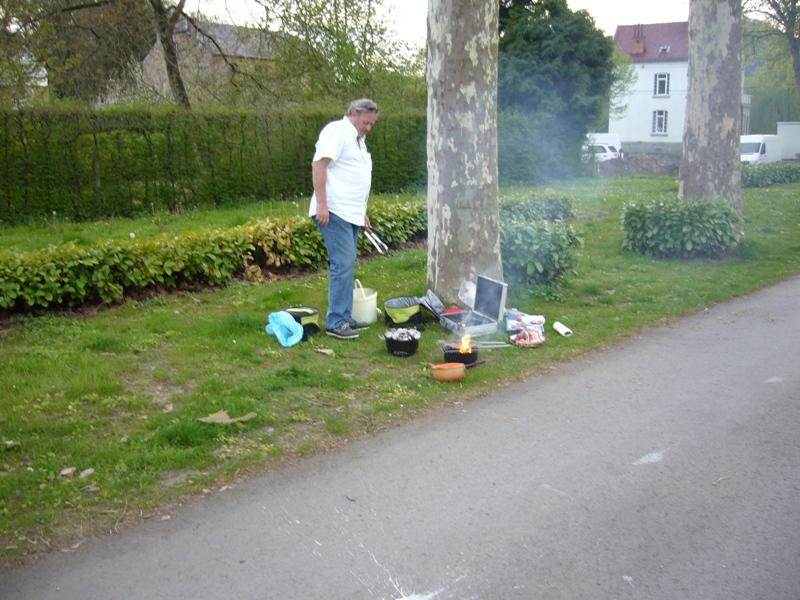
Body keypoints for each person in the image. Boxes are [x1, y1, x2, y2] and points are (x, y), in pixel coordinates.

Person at [309, 98, 379, 339]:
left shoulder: (359, 141)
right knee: (343, 263)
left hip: (351, 213)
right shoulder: (337, 131)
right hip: (334, 210)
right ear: (354, 113)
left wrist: (362, 213)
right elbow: (319, 165)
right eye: (366, 122)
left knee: (347, 264)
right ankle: (336, 322)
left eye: (372, 124)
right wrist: (321, 204)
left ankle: (345, 317)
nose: (368, 128)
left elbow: (353, 178)